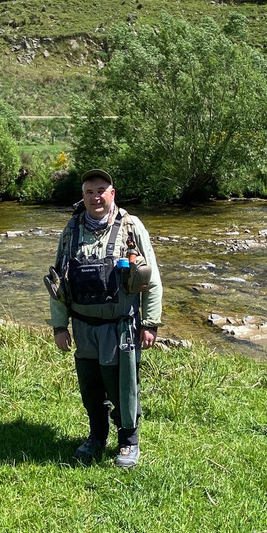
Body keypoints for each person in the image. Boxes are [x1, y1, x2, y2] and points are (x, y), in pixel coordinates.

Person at [46, 169, 162, 468]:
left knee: (123, 386)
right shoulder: (71, 230)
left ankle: (128, 442)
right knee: (91, 388)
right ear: (82, 196)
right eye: (89, 192)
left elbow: (152, 279)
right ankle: (97, 437)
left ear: (112, 194)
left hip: (120, 327)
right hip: (83, 328)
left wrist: (149, 323)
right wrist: (60, 326)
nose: (95, 197)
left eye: (101, 190)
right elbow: (57, 282)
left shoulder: (131, 227)